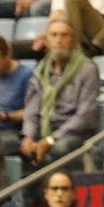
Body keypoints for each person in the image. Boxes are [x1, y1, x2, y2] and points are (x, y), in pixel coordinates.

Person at [21, 19, 98, 167]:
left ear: (73, 41)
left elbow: (85, 115)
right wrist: (28, 137)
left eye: (64, 35)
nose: (58, 40)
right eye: (54, 35)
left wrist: (51, 140)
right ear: (47, 41)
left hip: (73, 134)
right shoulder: (40, 72)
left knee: (59, 148)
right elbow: (31, 111)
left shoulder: (87, 69)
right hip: (44, 130)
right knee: (20, 148)